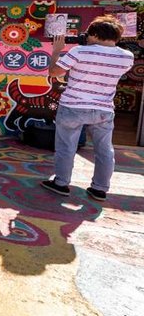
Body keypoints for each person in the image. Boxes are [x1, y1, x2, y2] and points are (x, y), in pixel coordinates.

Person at [41, 15, 135, 202]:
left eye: (89, 34)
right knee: (104, 149)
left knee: (67, 147)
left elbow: (54, 73)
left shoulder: (79, 52)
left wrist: (56, 51)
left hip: (73, 107)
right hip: (103, 110)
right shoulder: (127, 57)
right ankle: (99, 189)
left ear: (94, 34)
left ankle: (61, 183)